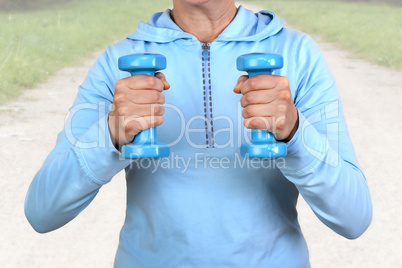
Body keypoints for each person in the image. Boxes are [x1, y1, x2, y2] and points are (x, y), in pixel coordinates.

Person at [24, 0, 372, 267]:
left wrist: (294, 133)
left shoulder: (298, 55)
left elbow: (354, 217)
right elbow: (42, 211)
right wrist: (111, 135)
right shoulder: (120, 60)